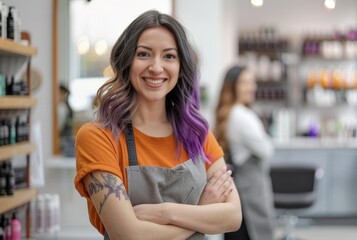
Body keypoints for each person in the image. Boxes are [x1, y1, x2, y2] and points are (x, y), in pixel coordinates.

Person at [73, 10, 242, 240]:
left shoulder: (197, 134)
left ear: (181, 67)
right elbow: (128, 234)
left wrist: (164, 212)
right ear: (127, 61)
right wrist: (201, 213)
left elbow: (232, 216)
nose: (156, 67)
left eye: (169, 56)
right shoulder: (98, 137)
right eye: (144, 54)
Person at [215, 66, 276, 240]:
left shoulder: (230, 113)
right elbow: (266, 150)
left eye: (252, 82)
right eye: (245, 83)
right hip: (250, 189)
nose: (252, 87)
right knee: (256, 233)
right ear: (233, 86)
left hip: (240, 188)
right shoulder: (242, 115)